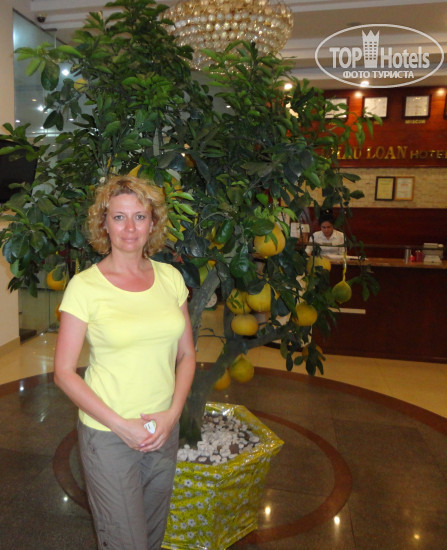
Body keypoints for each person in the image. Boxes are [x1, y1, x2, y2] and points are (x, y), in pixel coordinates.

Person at [54, 175, 196, 550]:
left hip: (162, 429)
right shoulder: (85, 287)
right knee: (124, 542)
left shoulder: (170, 278)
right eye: (119, 217)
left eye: (139, 216)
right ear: (104, 223)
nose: (130, 228)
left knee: (152, 536)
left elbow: (186, 355)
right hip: (108, 434)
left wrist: (172, 416)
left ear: (153, 223)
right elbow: (64, 372)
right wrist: (121, 426)